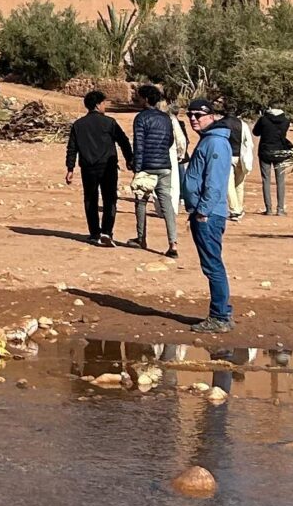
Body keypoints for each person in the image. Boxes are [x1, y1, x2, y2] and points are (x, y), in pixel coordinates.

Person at [180, 99, 234, 327]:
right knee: (211, 264)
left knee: (213, 266)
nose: (193, 119)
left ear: (211, 116)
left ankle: (220, 317)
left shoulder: (215, 143)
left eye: (198, 115)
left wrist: (202, 211)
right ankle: (221, 314)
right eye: (190, 115)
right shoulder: (208, 140)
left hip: (209, 215)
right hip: (203, 212)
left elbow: (215, 182)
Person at [65, 89, 132, 247]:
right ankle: (107, 232)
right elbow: (123, 141)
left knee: (90, 199)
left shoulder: (78, 125)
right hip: (108, 167)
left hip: (88, 167)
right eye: (103, 103)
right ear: (97, 105)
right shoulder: (109, 122)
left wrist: (70, 168)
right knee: (110, 199)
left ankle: (94, 233)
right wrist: (130, 159)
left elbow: (72, 148)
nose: (105, 106)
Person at [130, 83, 182, 256]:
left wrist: (137, 169)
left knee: (141, 201)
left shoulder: (141, 118)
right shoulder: (166, 118)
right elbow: (170, 141)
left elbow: (139, 145)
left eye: (139, 97)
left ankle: (141, 238)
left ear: (145, 99)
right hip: (165, 165)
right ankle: (173, 243)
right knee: (166, 203)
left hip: (147, 166)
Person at [253, 103, 293, 217]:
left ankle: (269, 209)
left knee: (266, 180)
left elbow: (255, 132)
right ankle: (280, 209)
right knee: (280, 181)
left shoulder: (263, 119)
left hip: (265, 152)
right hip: (280, 152)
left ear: (270, 108)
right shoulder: (285, 121)